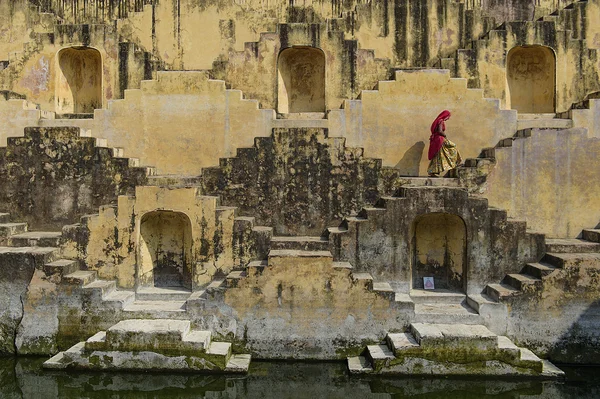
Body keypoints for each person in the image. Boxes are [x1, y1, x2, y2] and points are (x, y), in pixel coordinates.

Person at [427, 110, 462, 176]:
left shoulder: (437, 120)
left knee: (438, 155)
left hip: (436, 140)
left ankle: (433, 171)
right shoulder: (441, 121)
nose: (448, 118)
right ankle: (456, 162)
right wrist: (445, 135)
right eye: (448, 116)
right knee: (453, 146)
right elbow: (440, 131)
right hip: (440, 139)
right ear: (445, 116)